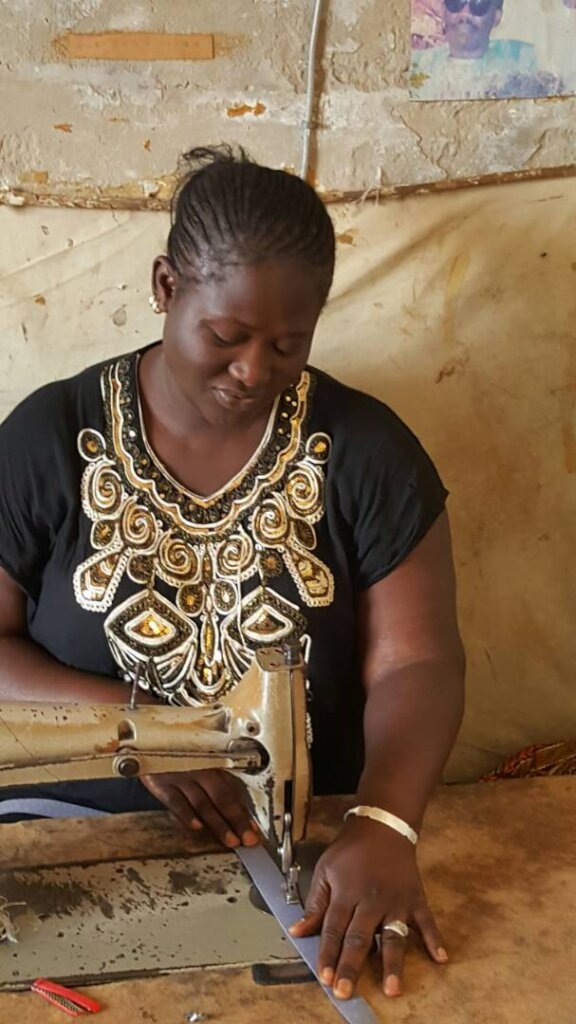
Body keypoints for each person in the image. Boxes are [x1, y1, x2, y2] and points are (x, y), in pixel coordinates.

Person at [0, 146, 465, 1001]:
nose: (255, 371)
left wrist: (386, 820)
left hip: (304, 845)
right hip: (67, 834)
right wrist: (141, 734)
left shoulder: (366, 452)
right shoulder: (47, 439)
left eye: (288, 345)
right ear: (167, 287)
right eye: (227, 337)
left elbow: (416, 662)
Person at [411, 0, 538, 99]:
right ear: (443, 11)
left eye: (479, 4)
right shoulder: (417, 65)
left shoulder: (524, 63)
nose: (465, 14)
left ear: (496, 16)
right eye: (456, 3)